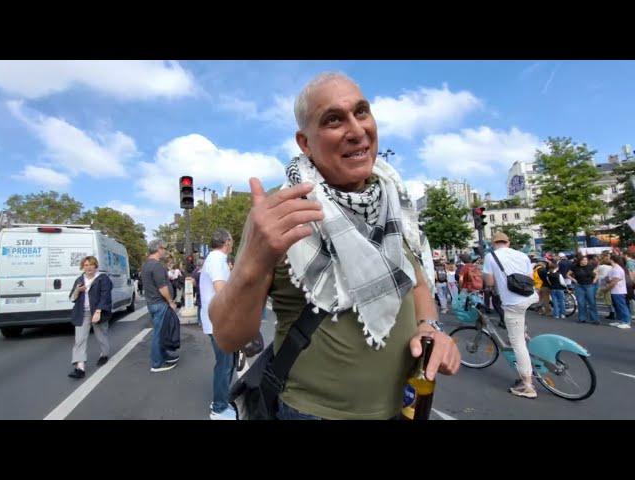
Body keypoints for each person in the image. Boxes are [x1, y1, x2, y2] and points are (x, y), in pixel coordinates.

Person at [209, 72, 460, 420]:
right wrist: (252, 259)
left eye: (361, 112)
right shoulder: (278, 213)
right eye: (333, 120)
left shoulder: (393, 202)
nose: (356, 130)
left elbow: (416, 286)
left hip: (403, 409)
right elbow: (229, 337)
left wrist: (430, 329)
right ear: (305, 143)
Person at [482, 231, 539, 399]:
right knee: (520, 327)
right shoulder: (522, 255)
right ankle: (524, 335)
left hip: (513, 303)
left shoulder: (490, 256)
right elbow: (529, 279)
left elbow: (490, 282)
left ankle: (527, 385)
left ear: (493, 243)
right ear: (508, 242)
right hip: (530, 297)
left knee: (517, 343)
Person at [199, 229, 236, 420]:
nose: (233, 244)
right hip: (219, 321)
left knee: (226, 363)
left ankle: (222, 401)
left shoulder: (213, 259)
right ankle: (219, 408)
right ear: (226, 242)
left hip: (215, 320)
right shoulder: (217, 260)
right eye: (231, 240)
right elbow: (222, 292)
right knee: (225, 364)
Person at [67, 256, 113, 379]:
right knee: (79, 339)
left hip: (98, 312)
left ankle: (104, 354)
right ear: (83, 267)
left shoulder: (102, 279)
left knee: (101, 335)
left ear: (95, 266)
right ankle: (80, 367)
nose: (88, 267)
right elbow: (72, 298)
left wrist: (98, 311)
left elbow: (105, 296)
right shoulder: (79, 280)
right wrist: (78, 290)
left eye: (91, 265)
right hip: (82, 312)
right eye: (86, 265)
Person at [141, 240, 179, 372]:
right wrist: (170, 302)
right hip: (160, 303)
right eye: (163, 248)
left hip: (153, 303)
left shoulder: (146, 265)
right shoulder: (156, 266)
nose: (165, 251)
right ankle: (157, 363)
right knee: (159, 334)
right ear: (158, 249)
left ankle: (163, 356)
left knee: (161, 332)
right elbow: (162, 287)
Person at [601, 253, 631, 329]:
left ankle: (626, 322)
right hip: (614, 291)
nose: (607, 259)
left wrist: (605, 289)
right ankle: (620, 320)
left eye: (608, 257)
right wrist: (607, 280)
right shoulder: (613, 268)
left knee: (621, 306)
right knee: (617, 306)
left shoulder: (617, 269)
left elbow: (614, 281)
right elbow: (609, 278)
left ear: (612, 260)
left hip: (619, 291)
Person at [567, 255, 599, 324]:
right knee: (581, 302)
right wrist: (573, 279)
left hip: (589, 285)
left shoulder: (591, 266)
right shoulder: (574, 266)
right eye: (584, 260)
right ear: (580, 261)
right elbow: (568, 274)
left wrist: (595, 280)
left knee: (592, 302)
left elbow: (597, 274)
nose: (585, 261)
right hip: (579, 286)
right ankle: (582, 318)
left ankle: (594, 319)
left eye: (586, 260)